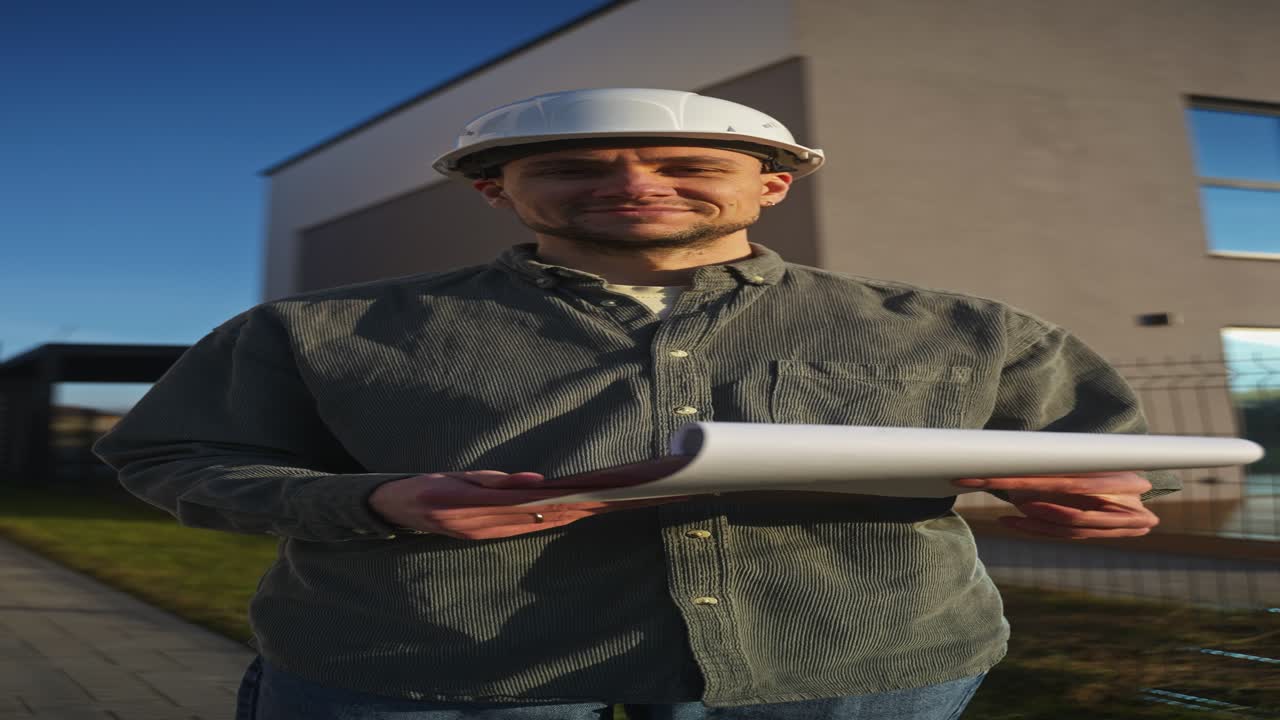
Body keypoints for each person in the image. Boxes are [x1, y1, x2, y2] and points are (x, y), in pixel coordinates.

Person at [93, 88, 1174, 720]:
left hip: (850, 672)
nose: (631, 181)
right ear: (496, 190)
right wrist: (375, 504)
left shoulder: (967, 330)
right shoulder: (317, 329)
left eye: (682, 161)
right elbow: (175, 454)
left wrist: (1096, 498)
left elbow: (1114, 457)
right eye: (572, 167)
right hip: (431, 673)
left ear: (771, 184)